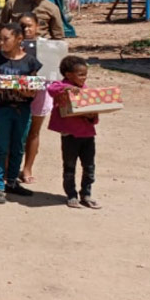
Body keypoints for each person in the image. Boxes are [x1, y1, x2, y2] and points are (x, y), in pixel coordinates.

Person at [0, 22, 41, 204]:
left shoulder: (30, 61)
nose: (2, 42)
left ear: (19, 39)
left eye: (6, 39)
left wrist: (26, 90)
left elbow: (34, 87)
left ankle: (12, 182)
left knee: (18, 146)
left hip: (23, 109)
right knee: (1, 147)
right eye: (0, 39)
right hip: (3, 108)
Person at [47, 56, 101, 209]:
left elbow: (94, 116)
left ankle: (86, 194)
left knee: (89, 167)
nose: (84, 78)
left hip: (88, 135)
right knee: (69, 167)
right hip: (70, 135)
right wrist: (68, 88)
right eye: (81, 74)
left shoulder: (86, 91)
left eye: (85, 74)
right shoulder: (62, 87)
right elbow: (51, 89)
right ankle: (71, 195)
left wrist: (92, 117)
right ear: (69, 74)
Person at [20, 12, 52, 184]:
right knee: (16, 131)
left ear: (37, 27)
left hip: (41, 92)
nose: (26, 29)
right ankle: (10, 166)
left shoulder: (48, 46)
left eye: (29, 25)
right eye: (22, 26)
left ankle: (27, 168)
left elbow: (54, 70)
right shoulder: (12, 44)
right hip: (17, 92)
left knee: (34, 132)